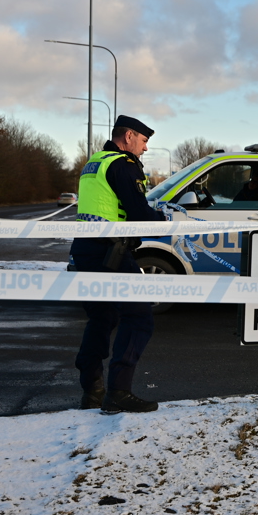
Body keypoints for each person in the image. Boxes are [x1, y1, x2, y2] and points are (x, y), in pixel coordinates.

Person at [71, 115, 167, 414]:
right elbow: (139, 212)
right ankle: (119, 391)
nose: (145, 148)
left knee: (102, 318)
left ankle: (92, 390)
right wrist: (165, 220)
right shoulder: (122, 164)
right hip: (109, 252)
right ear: (128, 136)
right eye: (143, 141)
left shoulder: (95, 162)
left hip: (86, 249)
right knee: (139, 317)